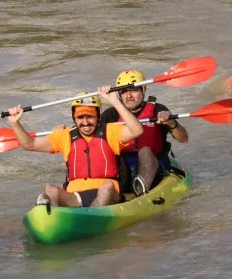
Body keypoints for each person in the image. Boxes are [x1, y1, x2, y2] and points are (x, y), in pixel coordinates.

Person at [8, 85, 144, 208]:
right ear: (74, 117)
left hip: (109, 194)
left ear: (98, 116)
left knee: (107, 187)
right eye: (80, 117)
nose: (85, 122)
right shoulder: (64, 136)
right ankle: (53, 220)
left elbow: (137, 130)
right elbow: (29, 144)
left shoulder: (111, 131)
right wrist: (15, 124)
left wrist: (115, 101)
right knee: (50, 190)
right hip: (75, 196)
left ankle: (91, 220)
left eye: (90, 117)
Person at [99, 70, 188, 197]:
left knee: (145, 150)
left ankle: (141, 191)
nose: (129, 95)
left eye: (134, 90)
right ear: (119, 94)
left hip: (155, 167)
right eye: (124, 91)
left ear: (144, 91)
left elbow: (184, 139)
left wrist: (172, 123)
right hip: (123, 170)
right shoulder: (111, 115)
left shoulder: (158, 110)